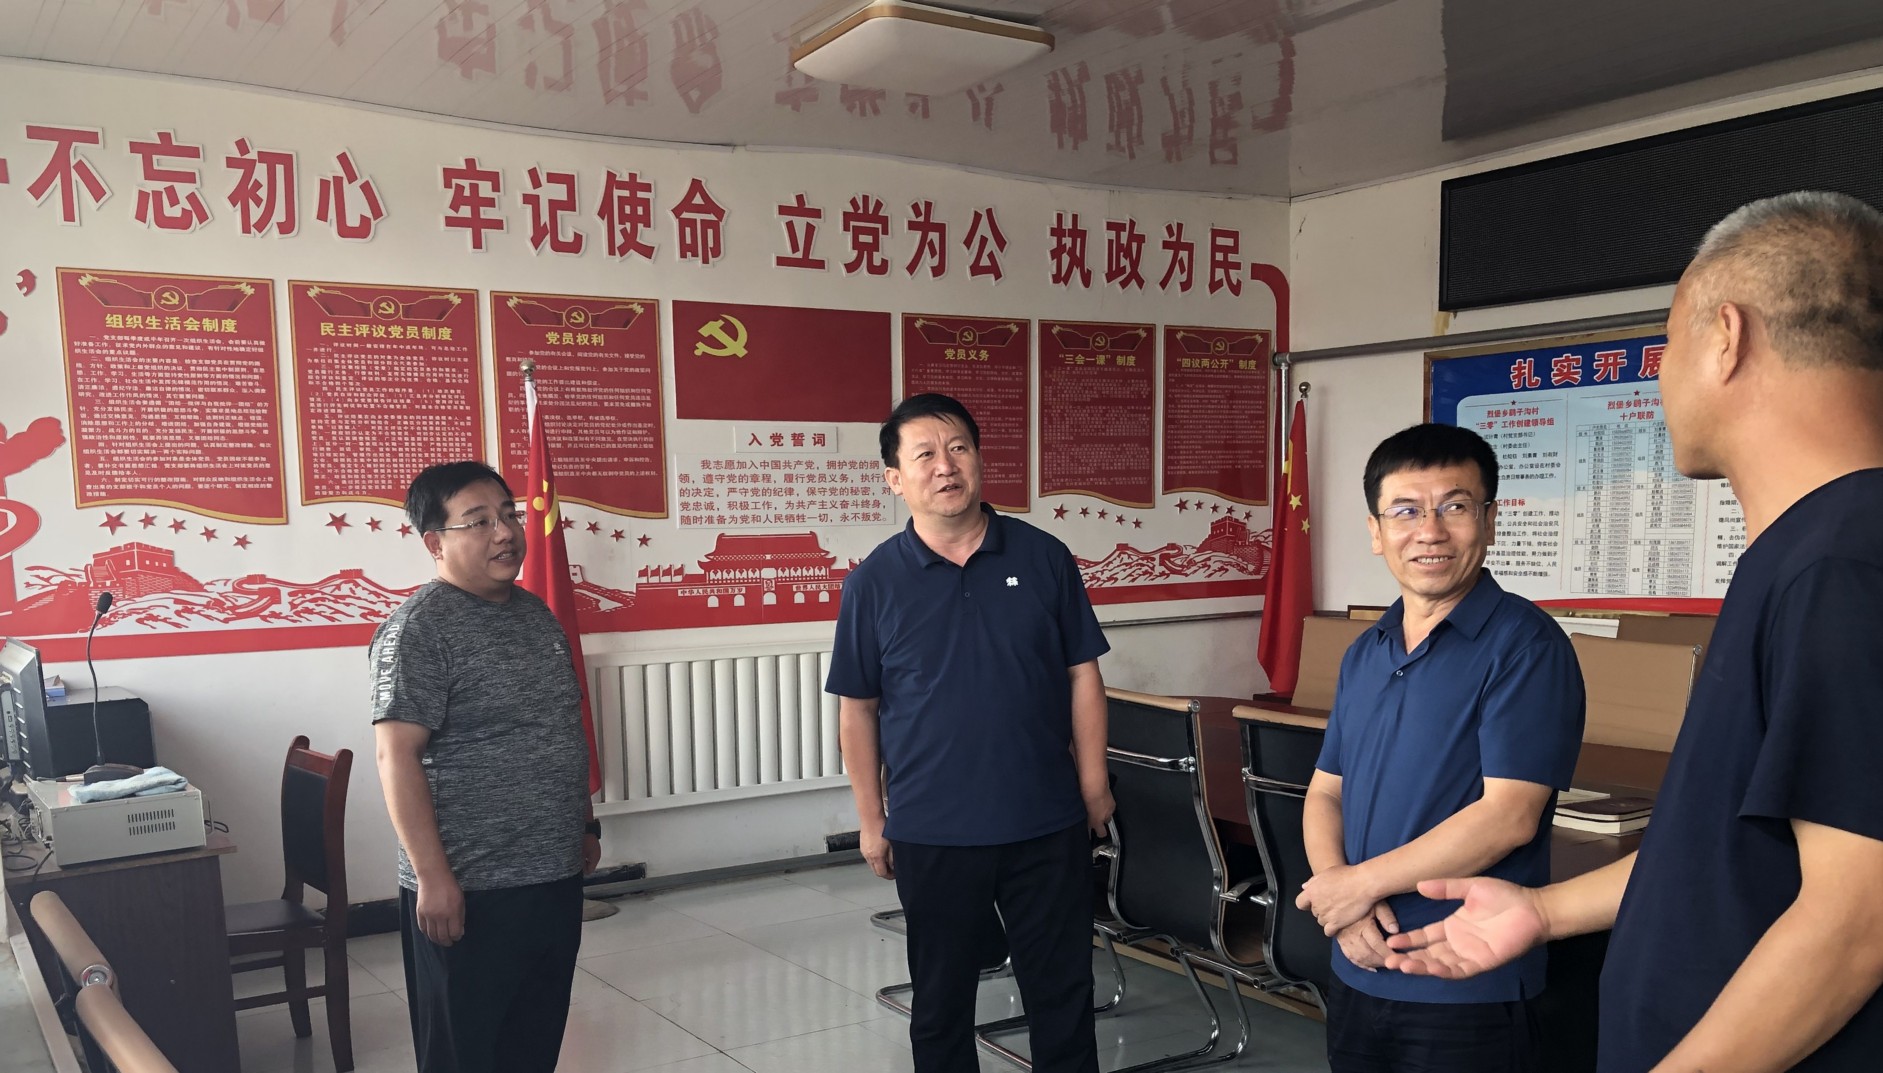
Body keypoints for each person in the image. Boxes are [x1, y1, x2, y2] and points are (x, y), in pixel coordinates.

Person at [1385, 191, 1883, 1072]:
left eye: (1666, 342)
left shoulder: (1842, 564)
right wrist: (1541, 910)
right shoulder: (1804, 553)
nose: (1659, 379)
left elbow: (1857, 920)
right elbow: (1729, 852)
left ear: (1725, 336)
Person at [826, 393, 1113, 1073]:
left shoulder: (1043, 557)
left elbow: (1082, 674)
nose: (945, 466)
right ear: (895, 479)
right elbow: (857, 709)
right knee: (941, 1003)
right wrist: (871, 819)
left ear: (979, 459)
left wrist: (1093, 784)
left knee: (1063, 995)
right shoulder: (872, 584)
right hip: (933, 828)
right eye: (924, 454)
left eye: (958, 448)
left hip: (1044, 818)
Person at [1298, 422, 1586, 1072]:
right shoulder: (1364, 651)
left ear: (1489, 520)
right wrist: (1342, 905)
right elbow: (1326, 791)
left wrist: (1354, 888)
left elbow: (1508, 816)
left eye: (1453, 506)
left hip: (1468, 977)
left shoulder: (1527, 647)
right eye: (1404, 510)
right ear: (1376, 531)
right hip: (1358, 962)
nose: (1428, 531)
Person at [371, 461, 602, 1073]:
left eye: (508, 515)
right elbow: (396, 756)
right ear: (435, 542)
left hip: (550, 874)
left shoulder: (535, 616)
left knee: (534, 1041)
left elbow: (559, 727)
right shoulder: (420, 629)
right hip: (470, 885)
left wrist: (584, 823)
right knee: (464, 1054)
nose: (504, 533)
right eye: (478, 522)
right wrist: (433, 878)